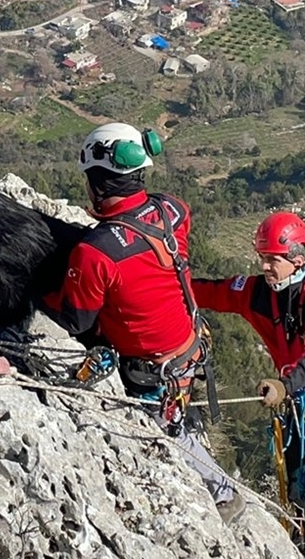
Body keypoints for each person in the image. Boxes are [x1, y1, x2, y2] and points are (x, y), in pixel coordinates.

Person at [40, 122, 245, 524]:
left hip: (151, 373)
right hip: (188, 345)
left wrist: (38, 290)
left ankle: (223, 493)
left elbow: (76, 321)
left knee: (172, 433)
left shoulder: (95, 253)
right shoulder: (173, 209)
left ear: (98, 183)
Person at [191, 211, 305, 559]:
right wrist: (164, 284)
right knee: (297, 489)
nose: (266, 267)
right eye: (262, 259)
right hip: (299, 407)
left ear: (297, 259)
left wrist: (286, 385)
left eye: (272, 259)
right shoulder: (259, 293)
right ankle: (300, 546)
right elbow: (210, 292)